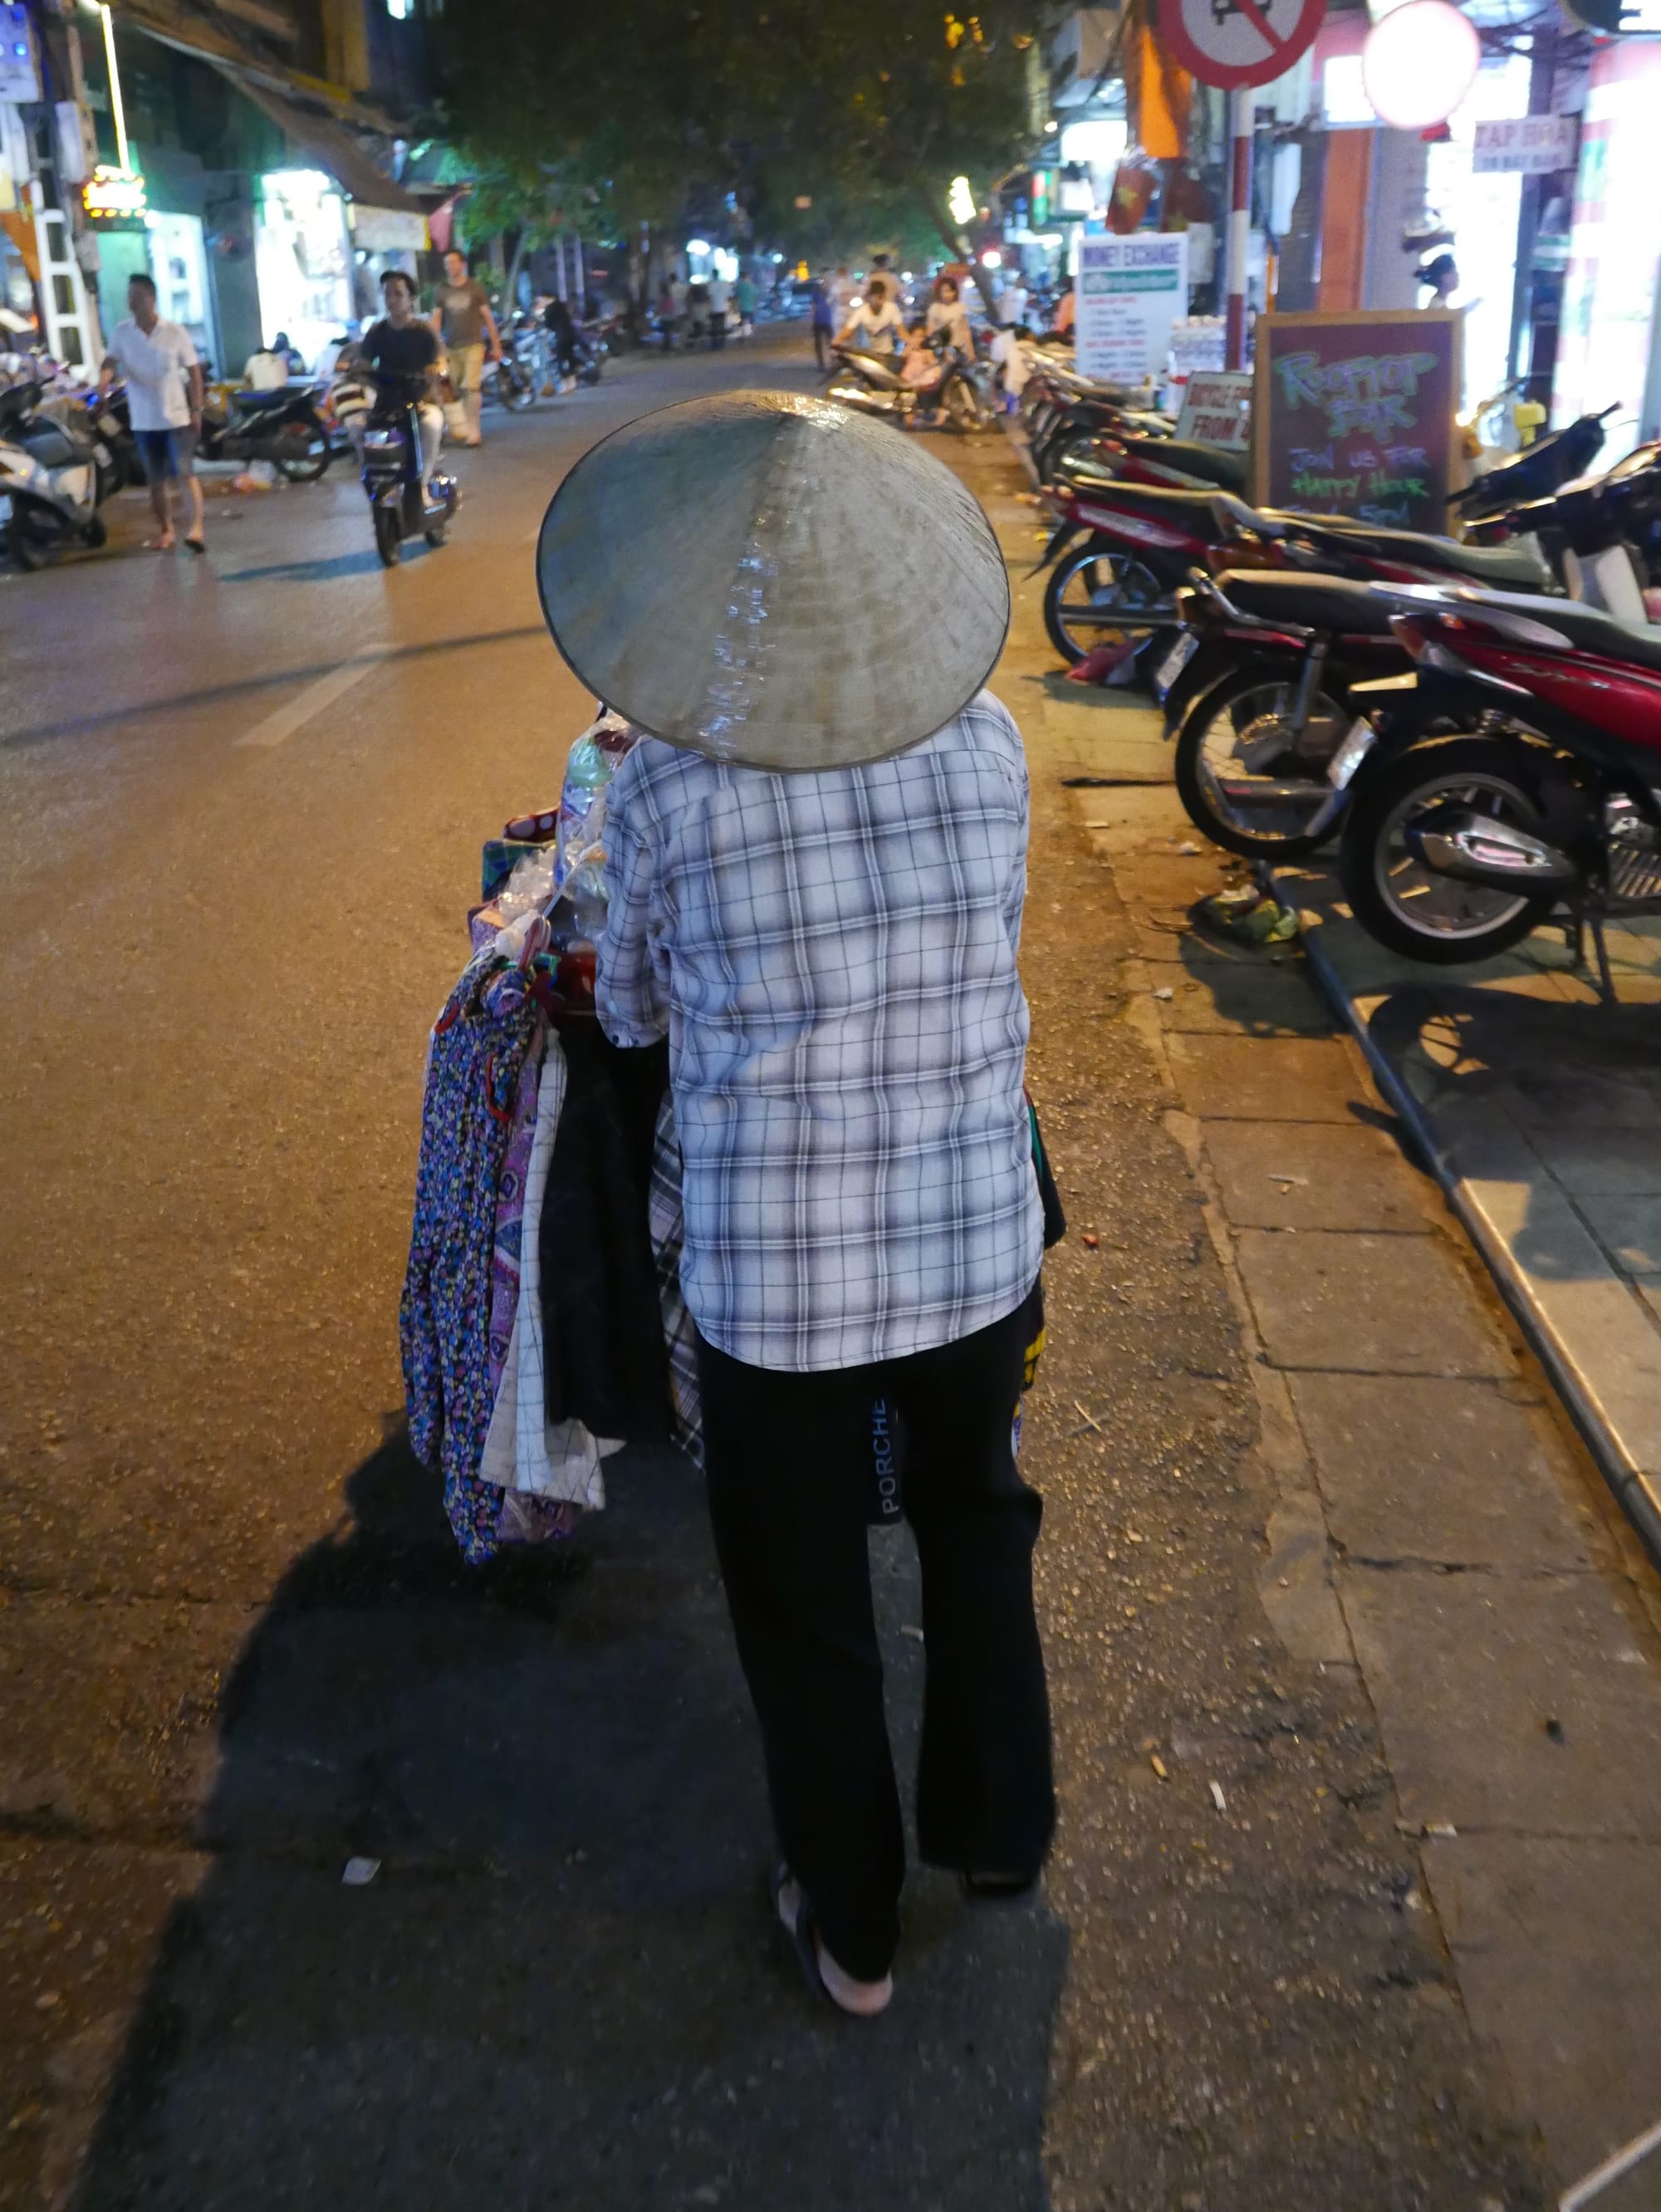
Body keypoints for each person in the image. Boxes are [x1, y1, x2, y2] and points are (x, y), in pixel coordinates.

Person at [541, 390, 1056, 2021]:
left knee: (804, 1594)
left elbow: (625, 1012)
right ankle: (998, 1829)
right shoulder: (990, 741)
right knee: (978, 1521)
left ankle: (853, 1926)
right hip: (979, 1241)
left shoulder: (670, 784)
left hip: (782, 1285)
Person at [100, 270, 205, 554]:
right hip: (144, 421)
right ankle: (167, 530)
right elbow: (110, 361)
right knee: (156, 481)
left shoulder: (174, 332)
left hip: (177, 418)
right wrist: (102, 386)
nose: (132, 301)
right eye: (130, 296)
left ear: (152, 299)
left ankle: (196, 529)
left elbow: (194, 371)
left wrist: (197, 409)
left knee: (185, 473)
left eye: (138, 296)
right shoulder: (122, 331)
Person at [360, 269, 443, 492]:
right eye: (387, 295)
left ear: (411, 298)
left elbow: (439, 359)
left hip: (420, 400)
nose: (392, 300)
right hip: (386, 404)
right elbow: (364, 361)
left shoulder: (424, 331)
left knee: (431, 427)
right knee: (360, 431)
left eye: (398, 294)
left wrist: (436, 369)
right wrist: (356, 370)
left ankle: (423, 486)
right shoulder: (377, 332)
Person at [430, 248, 502, 447]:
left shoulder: (475, 288)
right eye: (446, 264)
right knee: (453, 388)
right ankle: (459, 426)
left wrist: (496, 345)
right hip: (451, 347)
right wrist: (435, 346)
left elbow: (487, 317)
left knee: (471, 387)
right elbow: (436, 320)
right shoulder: (441, 290)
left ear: (462, 264)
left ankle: (474, 431)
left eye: (453, 262)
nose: (450, 267)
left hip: (474, 344)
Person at [835, 274, 906, 355]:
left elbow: (901, 331)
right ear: (870, 297)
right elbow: (848, 330)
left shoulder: (892, 308)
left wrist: (912, 342)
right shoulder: (862, 311)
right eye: (877, 297)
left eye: (881, 297)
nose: (879, 301)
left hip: (887, 353)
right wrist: (837, 341)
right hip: (867, 353)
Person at [926, 274, 973, 356]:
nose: (948, 295)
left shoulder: (960, 307)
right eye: (944, 291)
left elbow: (965, 331)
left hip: (959, 348)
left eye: (950, 291)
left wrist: (971, 352)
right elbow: (930, 331)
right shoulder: (935, 308)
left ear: (955, 292)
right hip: (942, 350)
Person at [543, 292, 580, 392]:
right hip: (570, 335)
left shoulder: (549, 309)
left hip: (560, 337)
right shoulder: (562, 306)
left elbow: (547, 324)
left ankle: (565, 384)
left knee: (560, 360)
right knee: (570, 357)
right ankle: (573, 381)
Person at [809, 267, 835, 370]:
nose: (828, 277)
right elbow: (813, 304)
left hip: (831, 319)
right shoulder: (817, 289)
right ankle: (821, 364)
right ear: (822, 276)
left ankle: (834, 362)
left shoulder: (834, 289)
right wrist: (812, 316)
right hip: (819, 319)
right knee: (818, 343)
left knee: (832, 343)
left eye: (829, 275)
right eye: (825, 275)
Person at [706, 270, 732, 348]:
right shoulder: (725, 284)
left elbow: (709, 297)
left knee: (715, 327)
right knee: (722, 326)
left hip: (714, 308)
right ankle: (722, 343)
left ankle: (716, 344)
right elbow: (730, 296)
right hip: (724, 307)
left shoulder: (711, 285)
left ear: (713, 274)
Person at [733, 271, 757, 338]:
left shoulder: (739, 286)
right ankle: (751, 337)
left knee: (742, 324)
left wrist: (735, 308)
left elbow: (736, 298)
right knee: (751, 323)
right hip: (751, 308)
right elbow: (755, 297)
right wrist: (756, 307)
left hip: (742, 308)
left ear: (741, 277)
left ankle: (742, 337)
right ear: (747, 276)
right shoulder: (752, 286)